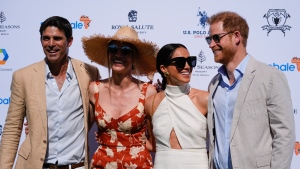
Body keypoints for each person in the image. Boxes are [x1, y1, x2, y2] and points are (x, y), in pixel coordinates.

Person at [0, 16, 100, 169]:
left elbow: (96, 113)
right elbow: (12, 129)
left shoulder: (89, 73)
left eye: (57, 38)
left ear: (70, 41)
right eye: (46, 38)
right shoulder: (23, 77)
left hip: (77, 165)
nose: (51, 44)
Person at [206, 11, 295, 169]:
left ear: (236, 36)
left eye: (216, 38)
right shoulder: (214, 84)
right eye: (209, 39)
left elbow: (284, 135)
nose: (211, 44)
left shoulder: (270, 77)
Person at [81, 26, 158, 169]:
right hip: (101, 164)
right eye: (113, 48)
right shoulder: (94, 89)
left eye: (126, 51)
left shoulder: (148, 91)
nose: (118, 54)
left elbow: (153, 143)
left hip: (138, 165)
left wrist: (131, 143)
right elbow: (79, 128)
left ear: (134, 57)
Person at [145, 43, 209, 169]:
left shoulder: (204, 99)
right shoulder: (151, 103)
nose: (187, 66)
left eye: (190, 61)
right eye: (180, 62)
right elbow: (152, 145)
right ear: (164, 69)